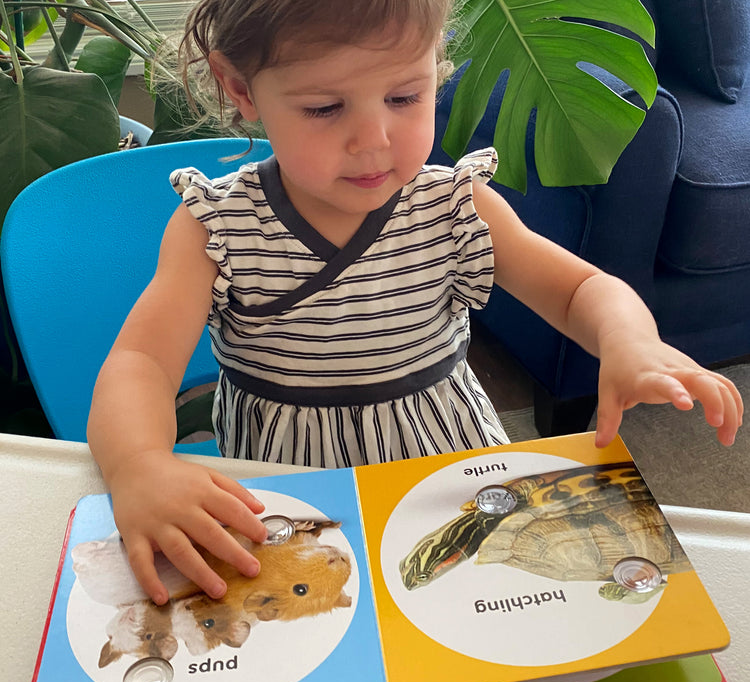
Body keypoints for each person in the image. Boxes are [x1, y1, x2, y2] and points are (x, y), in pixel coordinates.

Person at [87, 0, 743, 606]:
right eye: (324, 108)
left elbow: (579, 289)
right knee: (312, 620)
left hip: (446, 461)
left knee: (474, 616)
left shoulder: (453, 205)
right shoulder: (216, 227)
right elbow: (141, 361)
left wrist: (631, 340)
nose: (373, 139)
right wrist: (139, 464)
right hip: (287, 476)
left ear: (436, 68)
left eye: (405, 95)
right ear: (241, 87)